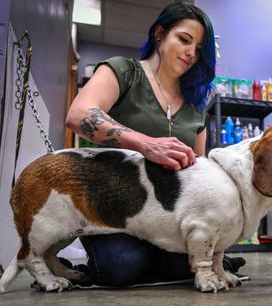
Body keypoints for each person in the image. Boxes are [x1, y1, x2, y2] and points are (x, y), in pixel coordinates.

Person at [65, 0, 245, 287]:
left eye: (199, 49)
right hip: (113, 208)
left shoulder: (197, 105)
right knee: (122, 266)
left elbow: (199, 171)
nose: (190, 53)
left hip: (167, 216)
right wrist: (144, 144)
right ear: (160, 34)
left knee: (184, 263)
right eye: (184, 40)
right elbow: (78, 114)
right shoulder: (122, 71)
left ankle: (162, 261)